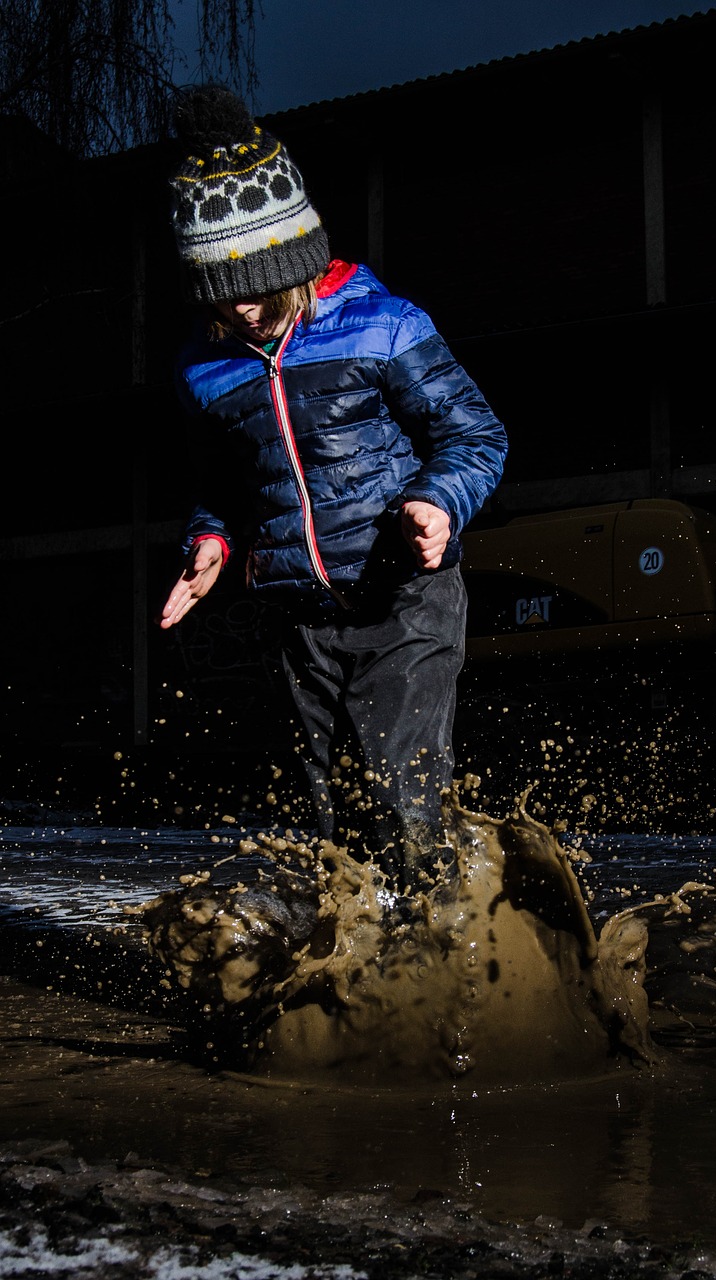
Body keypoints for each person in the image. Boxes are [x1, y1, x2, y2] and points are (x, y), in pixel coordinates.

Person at [157, 84, 508, 894]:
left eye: (255, 284)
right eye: (218, 290)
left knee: (399, 791)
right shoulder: (203, 370)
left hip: (404, 596)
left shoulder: (382, 325)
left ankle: (452, 963)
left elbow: (474, 436)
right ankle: (360, 981)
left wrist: (438, 501)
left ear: (291, 260)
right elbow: (225, 483)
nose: (240, 307)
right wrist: (211, 541)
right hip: (301, 617)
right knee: (330, 813)